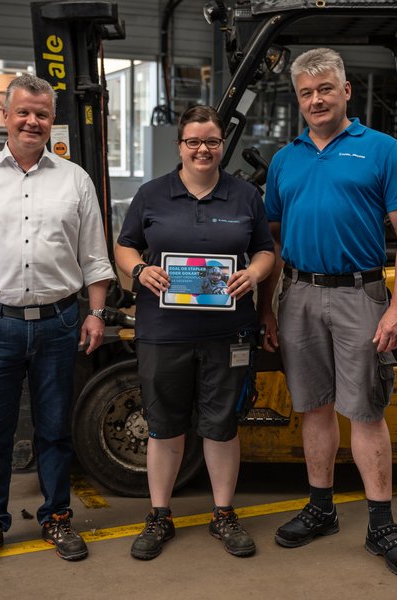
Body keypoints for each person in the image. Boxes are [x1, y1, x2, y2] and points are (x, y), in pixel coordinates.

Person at [0, 74, 115, 572]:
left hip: (60, 324)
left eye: (41, 114)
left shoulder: (75, 179)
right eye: (23, 112)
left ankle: (57, 515)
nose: (32, 121)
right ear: (6, 117)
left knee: (55, 429)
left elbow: (95, 257)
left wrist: (96, 312)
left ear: (51, 120)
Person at [258, 48, 397, 578]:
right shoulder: (285, 160)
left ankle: (381, 525)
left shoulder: (381, 149)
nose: (316, 100)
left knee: (366, 411)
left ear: (346, 90)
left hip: (360, 294)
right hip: (298, 294)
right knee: (314, 407)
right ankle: (321, 509)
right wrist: (267, 308)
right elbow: (273, 241)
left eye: (325, 89)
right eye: (306, 92)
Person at [115, 105, 274, 560]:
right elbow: (125, 246)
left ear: (223, 145)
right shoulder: (152, 194)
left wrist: (254, 274)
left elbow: (266, 250)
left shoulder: (245, 196)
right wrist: (140, 270)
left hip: (228, 332)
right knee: (164, 426)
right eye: (194, 141)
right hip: (164, 332)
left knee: (221, 426)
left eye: (212, 141)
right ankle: (159, 515)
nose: (203, 149)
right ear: (180, 145)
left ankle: (223, 514)